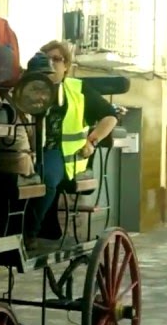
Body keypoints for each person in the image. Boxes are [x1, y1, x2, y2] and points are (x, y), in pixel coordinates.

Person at [27, 40, 119, 247]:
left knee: (45, 178)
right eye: (46, 58)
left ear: (66, 65)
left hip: (62, 154)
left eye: (56, 59)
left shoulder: (77, 89)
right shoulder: (28, 86)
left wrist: (92, 141)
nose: (51, 63)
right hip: (28, 149)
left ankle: (29, 232)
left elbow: (110, 116)